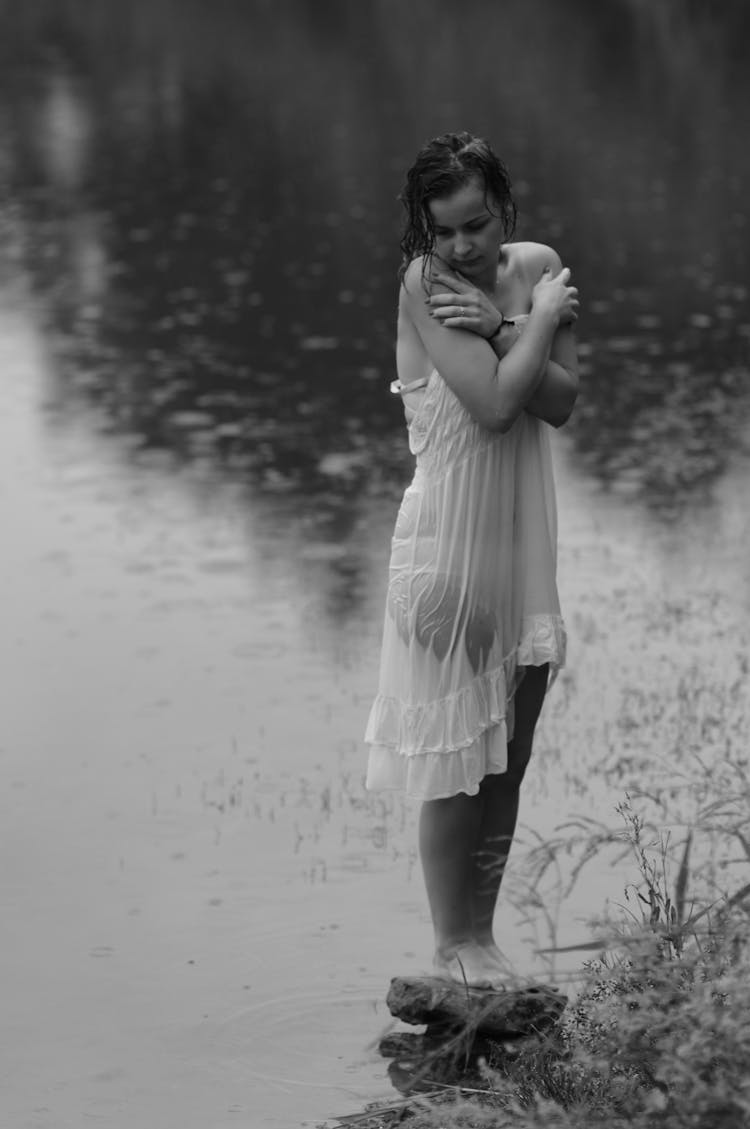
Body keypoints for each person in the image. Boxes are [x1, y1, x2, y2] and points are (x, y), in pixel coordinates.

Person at [364, 131, 579, 988]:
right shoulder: (425, 285)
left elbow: (559, 404)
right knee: (457, 764)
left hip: (520, 547)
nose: (463, 246)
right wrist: (530, 324)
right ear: (424, 229)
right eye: (444, 229)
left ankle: (482, 940)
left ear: (505, 209)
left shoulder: (538, 267)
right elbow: (494, 405)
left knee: (509, 754)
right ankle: (452, 943)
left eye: (477, 225)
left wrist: (508, 320)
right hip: (446, 553)